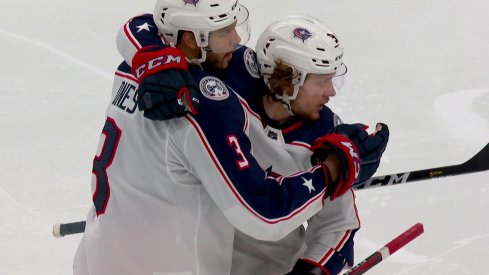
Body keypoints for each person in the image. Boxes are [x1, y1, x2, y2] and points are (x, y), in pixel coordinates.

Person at [73, 1, 372, 274]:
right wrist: (336, 169)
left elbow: (338, 225)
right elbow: (263, 213)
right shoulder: (213, 96)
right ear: (288, 80)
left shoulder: (141, 67)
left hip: (99, 256)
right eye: (226, 30)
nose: (238, 40)